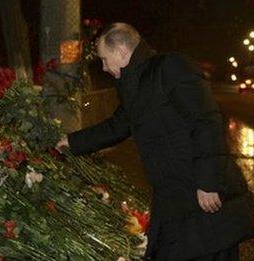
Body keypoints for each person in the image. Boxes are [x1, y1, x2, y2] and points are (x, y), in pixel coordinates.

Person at [56, 23, 254, 260]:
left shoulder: (171, 67)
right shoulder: (134, 88)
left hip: (204, 197)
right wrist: (69, 142)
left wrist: (209, 181)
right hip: (173, 200)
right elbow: (115, 127)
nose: (104, 67)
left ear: (121, 51)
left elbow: (206, 121)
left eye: (104, 59)